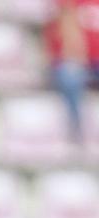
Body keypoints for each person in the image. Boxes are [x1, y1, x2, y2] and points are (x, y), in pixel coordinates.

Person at [45, 0, 99, 141]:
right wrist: (77, 56)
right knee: (71, 77)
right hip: (75, 58)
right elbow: (68, 28)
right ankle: (76, 130)